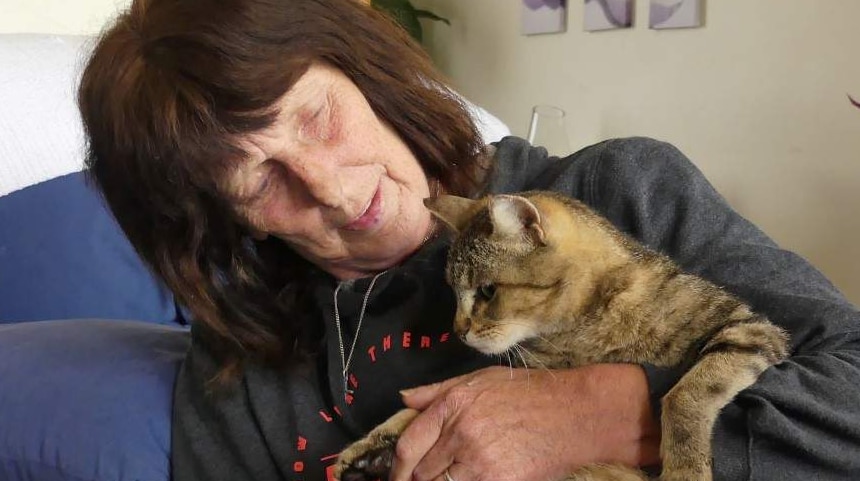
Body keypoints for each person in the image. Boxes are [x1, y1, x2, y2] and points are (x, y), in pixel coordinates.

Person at [77, 0, 860, 480]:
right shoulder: (243, 363)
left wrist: (606, 410)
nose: (340, 191)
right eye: (259, 183)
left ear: (361, 67)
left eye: (317, 117)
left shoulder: (623, 193)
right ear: (220, 218)